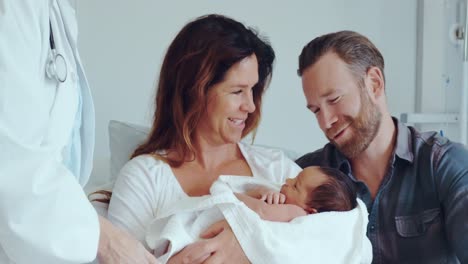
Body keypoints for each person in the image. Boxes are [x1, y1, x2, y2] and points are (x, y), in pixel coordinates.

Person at [107, 14, 371, 264]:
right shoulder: (145, 178)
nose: (251, 106)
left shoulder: (278, 170)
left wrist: (247, 248)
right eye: (237, 91)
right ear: (194, 91)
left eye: (253, 90)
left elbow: (339, 243)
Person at [0, 1, 157, 263]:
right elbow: (11, 160)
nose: (247, 105)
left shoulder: (56, 11)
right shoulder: (15, 9)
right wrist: (107, 240)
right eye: (236, 91)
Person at [295, 30, 468, 263]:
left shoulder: (444, 164)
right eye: (316, 110)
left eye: (334, 99)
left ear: (374, 84)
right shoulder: (302, 175)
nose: (326, 121)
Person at [235, 166, 358, 222]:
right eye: (294, 178)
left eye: (295, 186)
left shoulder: (298, 213)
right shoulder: (289, 202)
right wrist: (262, 192)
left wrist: (230, 196)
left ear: (311, 211)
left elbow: (261, 211)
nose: (288, 180)